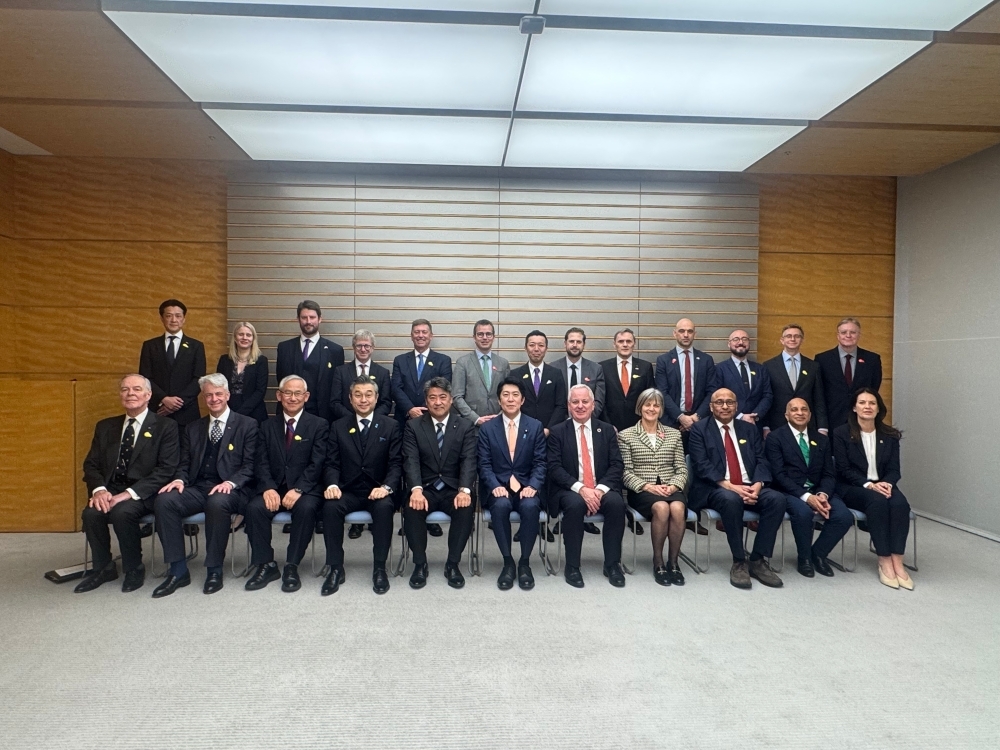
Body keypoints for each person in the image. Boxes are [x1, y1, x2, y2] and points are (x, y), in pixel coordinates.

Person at [152, 373, 258, 597]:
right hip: (199, 487)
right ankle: (178, 570)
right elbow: (184, 462)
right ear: (203, 398)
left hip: (233, 490)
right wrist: (179, 480)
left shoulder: (247, 425)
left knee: (217, 502)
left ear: (228, 395)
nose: (214, 399)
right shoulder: (193, 428)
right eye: (208, 395)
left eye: (218, 394)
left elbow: (250, 466)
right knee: (165, 500)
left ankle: (214, 569)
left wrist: (230, 483)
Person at [76, 375, 179, 593]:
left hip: (145, 491)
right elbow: (91, 464)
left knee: (122, 513)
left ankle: (134, 568)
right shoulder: (105, 427)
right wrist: (99, 490)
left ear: (148, 395)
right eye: (125, 389)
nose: (130, 393)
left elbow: (166, 470)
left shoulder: (166, 426)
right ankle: (103, 568)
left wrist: (129, 493)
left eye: (136, 389)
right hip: (110, 488)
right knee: (92, 513)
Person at [688, 388, 785, 590]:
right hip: (715, 487)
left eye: (730, 402)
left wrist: (757, 485)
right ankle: (739, 560)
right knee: (730, 500)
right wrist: (732, 487)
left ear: (736, 405)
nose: (725, 406)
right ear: (711, 406)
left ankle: (757, 559)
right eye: (719, 402)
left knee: (777, 499)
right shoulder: (700, 429)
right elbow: (701, 464)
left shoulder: (749, 429)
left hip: (750, 485)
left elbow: (761, 460)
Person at [243, 376, 328, 594]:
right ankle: (266, 564)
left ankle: (292, 565)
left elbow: (317, 462)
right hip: (273, 487)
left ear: (306, 397)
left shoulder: (319, 425)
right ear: (279, 396)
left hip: (305, 489)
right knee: (254, 508)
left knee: (307, 508)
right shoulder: (266, 426)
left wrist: (299, 488)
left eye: (298, 393)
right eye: (287, 393)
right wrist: (268, 487)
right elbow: (259, 461)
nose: (292, 398)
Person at [322, 377, 403, 596]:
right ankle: (336, 567)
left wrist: (386, 487)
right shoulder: (338, 426)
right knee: (330, 508)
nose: (363, 399)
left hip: (378, 490)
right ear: (350, 399)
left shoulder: (391, 425)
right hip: (347, 490)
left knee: (385, 508)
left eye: (369, 394)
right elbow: (331, 462)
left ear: (377, 398)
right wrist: (331, 484)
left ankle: (379, 567)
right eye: (358, 394)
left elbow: (396, 464)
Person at [547, 385, 627, 588]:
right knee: (575, 505)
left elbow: (617, 465)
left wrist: (599, 490)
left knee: (617, 504)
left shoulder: (607, 430)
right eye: (575, 402)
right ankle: (572, 566)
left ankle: (612, 564)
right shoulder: (557, 432)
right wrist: (582, 489)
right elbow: (554, 468)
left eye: (585, 402)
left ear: (593, 405)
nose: (580, 406)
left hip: (601, 487)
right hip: (570, 489)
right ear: (568, 405)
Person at [832, 388, 912, 590]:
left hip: (883, 484)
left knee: (901, 504)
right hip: (853, 486)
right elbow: (843, 469)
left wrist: (888, 484)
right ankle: (884, 560)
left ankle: (897, 560)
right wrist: (869, 485)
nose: (867, 406)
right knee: (876, 502)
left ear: (878, 409)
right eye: (862, 403)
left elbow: (895, 469)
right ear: (854, 407)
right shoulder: (841, 433)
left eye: (872, 403)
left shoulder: (890, 435)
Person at [402, 377, 477, 590]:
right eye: (432, 398)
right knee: (412, 509)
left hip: (454, 489)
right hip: (424, 488)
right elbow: (411, 460)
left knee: (464, 509)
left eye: (442, 397)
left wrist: (464, 490)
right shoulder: (413, 426)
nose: (438, 402)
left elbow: (469, 460)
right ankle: (419, 563)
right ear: (426, 401)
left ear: (451, 399)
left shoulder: (465, 425)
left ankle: (453, 564)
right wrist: (415, 490)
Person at [765, 398, 852, 578]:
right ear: (786, 415)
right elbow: (778, 475)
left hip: (820, 490)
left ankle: (818, 554)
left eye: (804, 409)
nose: (800, 413)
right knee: (803, 513)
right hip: (789, 491)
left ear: (810, 414)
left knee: (843, 516)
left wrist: (822, 494)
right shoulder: (775, 438)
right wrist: (806, 497)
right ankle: (804, 558)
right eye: (794, 409)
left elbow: (829, 473)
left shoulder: (821, 440)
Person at [477, 377, 547, 591]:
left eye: (515, 395)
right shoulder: (487, 429)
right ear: (499, 400)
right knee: (500, 506)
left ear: (522, 399)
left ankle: (524, 562)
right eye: (505, 395)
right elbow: (484, 464)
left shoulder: (535, 426)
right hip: (499, 485)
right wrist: (493, 485)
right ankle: (508, 561)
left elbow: (540, 462)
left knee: (530, 506)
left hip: (527, 486)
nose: (510, 399)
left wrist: (533, 486)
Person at [616, 388, 688, 586]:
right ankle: (658, 562)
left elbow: (681, 468)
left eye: (656, 405)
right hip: (642, 491)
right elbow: (625, 472)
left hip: (670, 487)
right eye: (648, 404)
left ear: (661, 409)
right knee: (662, 507)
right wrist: (648, 486)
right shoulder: (626, 435)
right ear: (640, 407)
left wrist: (673, 486)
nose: (651, 408)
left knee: (677, 507)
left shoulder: (673, 435)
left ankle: (674, 562)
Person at [138, 299, 206, 427]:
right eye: (169, 316)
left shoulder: (196, 346)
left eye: (178, 316)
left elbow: (199, 378)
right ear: (162, 318)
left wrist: (177, 403)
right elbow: (145, 378)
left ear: (184, 319)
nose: (173, 320)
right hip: (158, 410)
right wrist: (164, 399)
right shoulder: (150, 346)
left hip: (186, 412)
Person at [274, 300, 345, 423]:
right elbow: (281, 379)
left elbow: (337, 387)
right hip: (289, 413)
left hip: (323, 415)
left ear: (319, 319)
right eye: (304, 317)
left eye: (312, 317)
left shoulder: (335, 350)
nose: (308, 321)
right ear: (298, 319)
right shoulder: (284, 348)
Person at [815, 317, 883, 430]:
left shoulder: (872, 359)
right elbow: (819, 394)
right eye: (844, 332)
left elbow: (873, 389)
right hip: (832, 421)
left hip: (862, 421)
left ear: (859, 335)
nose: (848, 335)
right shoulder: (822, 359)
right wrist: (822, 425)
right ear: (838, 335)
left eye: (853, 332)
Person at [654, 318, 716, 436]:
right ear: (674, 333)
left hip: (700, 422)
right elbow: (662, 392)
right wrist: (681, 417)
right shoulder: (664, 360)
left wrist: (696, 417)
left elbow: (711, 392)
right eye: (682, 331)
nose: (686, 335)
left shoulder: (706, 360)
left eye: (690, 331)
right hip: (672, 423)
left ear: (695, 334)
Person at [762, 324, 827, 434]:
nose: (793, 339)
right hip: (777, 424)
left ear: (802, 340)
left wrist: (822, 427)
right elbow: (766, 397)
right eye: (789, 336)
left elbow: (819, 398)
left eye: (797, 336)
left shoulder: (813, 366)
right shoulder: (768, 366)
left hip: (806, 424)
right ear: (782, 340)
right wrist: (765, 426)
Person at [391, 318, 453, 425]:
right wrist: (410, 409)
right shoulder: (400, 360)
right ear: (411, 336)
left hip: (432, 418)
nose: (420, 335)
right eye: (416, 332)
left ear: (431, 336)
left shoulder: (443, 361)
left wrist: (424, 409)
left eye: (424, 332)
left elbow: (443, 389)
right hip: (404, 419)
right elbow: (396, 388)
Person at [452, 319, 510, 427]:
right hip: (471, 427)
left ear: (493, 337)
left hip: (499, 425)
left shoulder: (503, 363)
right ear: (474, 337)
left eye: (488, 334)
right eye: (480, 334)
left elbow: (508, 395)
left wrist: (500, 416)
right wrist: (475, 418)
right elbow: (457, 397)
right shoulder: (463, 363)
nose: (484, 337)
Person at [711, 329, 772, 431]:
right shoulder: (719, 369)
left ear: (749, 343)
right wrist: (740, 416)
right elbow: (716, 397)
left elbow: (767, 395)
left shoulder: (761, 369)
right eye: (736, 339)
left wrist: (755, 416)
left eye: (744, 339)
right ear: (729, 344)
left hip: (756, 424)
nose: (740, 342)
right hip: (729, 424)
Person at [509, 330, 567, 434]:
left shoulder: (556, 374)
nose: (536, 349)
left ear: (546, 349)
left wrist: (549, 429)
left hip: (551, 433)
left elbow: (561, 405)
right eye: (532, 345)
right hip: (522, 432)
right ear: (526, 348)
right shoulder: (515, 374)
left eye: (541, 345)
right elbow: (513, 404)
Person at [599, 328, 655, 433]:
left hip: (639, 427)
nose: (625, 344)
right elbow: (600, 400)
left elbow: (650, 398)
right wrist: (607, 425)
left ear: (634, 344)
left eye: (629, 341)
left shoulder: (645, 367)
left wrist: (644, 424)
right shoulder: (602, 367)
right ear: (614, 344)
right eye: (621, 341)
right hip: (609, 426)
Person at [330, 329, 392, 422]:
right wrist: (354, 419)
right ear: (354, 348)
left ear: (373, 347)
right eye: (359, 346)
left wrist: (370, 419)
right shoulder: (341, 371)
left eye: (367, 346)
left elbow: (386, 403)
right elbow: (335, 402)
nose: (363, 349)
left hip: (374, 425)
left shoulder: (383, 373)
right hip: (347, 423)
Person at [216, 321, 269, 424]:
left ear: (253, 339)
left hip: (254, 413)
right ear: (235, 338)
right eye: (241, 334)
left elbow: (260, 391)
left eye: (248, 335)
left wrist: (240, 413)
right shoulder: (224, 360)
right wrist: (229, 412)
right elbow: (219, 387)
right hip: (228, 411)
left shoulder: (261, 361)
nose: (244, 338)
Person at [550, 327, 606, 419]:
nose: (575, 345)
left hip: (588, 422)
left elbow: (598, 401)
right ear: (565, 344)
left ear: (584, 344)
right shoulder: (553, 368)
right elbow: (550, 400)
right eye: (571, 341)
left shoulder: (596, 369)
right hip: (559, 424)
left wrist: (584, 419)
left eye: (579, 342)